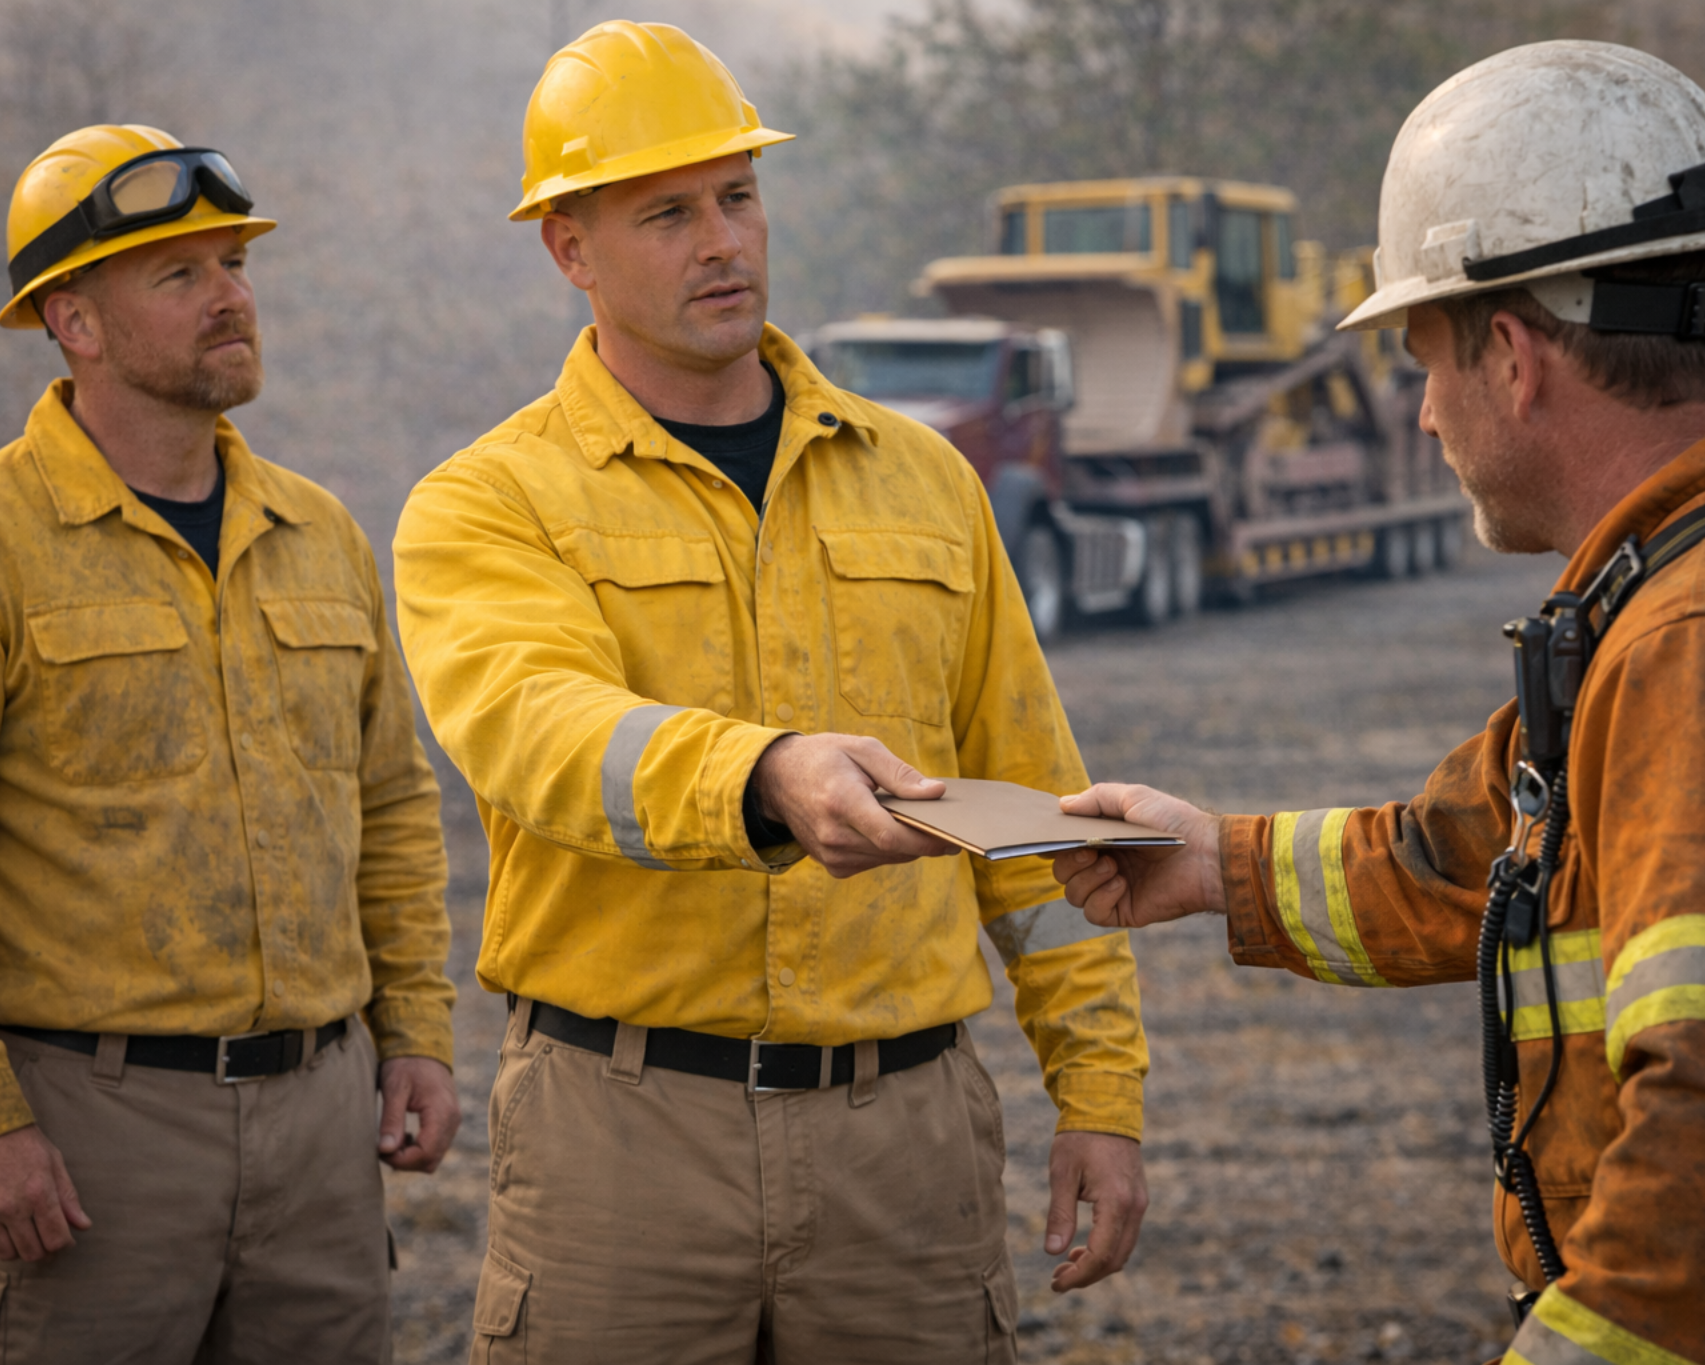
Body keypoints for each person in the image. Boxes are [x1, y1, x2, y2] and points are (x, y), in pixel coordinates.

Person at [1051, 41, 1705, 1365]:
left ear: (1514, 358)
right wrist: (1203, 862)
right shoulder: (1694, 590)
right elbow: (1465, 857)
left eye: (1424, 361)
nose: (1417, 417)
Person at [392, 20, 1148, 1362]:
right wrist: (761, 775)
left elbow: (1029, 813)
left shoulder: (925, 482)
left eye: (738, 197)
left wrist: (1100, 1094)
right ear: (569, 249)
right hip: (622, 1141)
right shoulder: (489, 505)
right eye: (666, 213)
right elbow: (536, 732)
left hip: (902, 1150)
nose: (721, 241)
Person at [0, 124, 458, 1364]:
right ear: (74, 321)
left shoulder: (317, 533)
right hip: (87, 1138)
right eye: (180, 275)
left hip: (322, 1142)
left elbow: (390, 808)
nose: (231, 297)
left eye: (234, 265)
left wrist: (418, 1034)